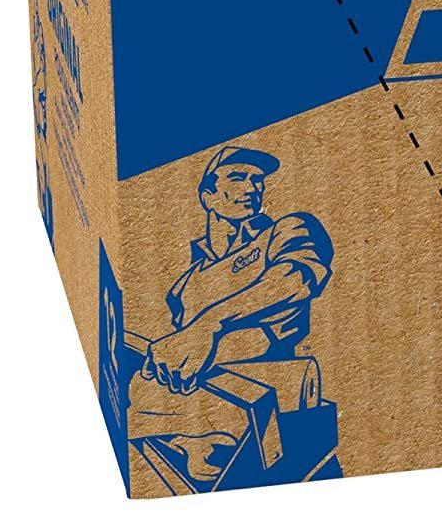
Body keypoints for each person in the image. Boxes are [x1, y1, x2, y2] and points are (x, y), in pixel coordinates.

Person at [127, 146, 332, 483]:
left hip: (277, 412)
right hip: (203, 414)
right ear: (207, 197)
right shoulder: (184, 285)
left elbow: (296, 279)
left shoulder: (286, 230)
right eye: (237, 178)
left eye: (258, 181)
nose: (252, 188)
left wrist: (210, 325)